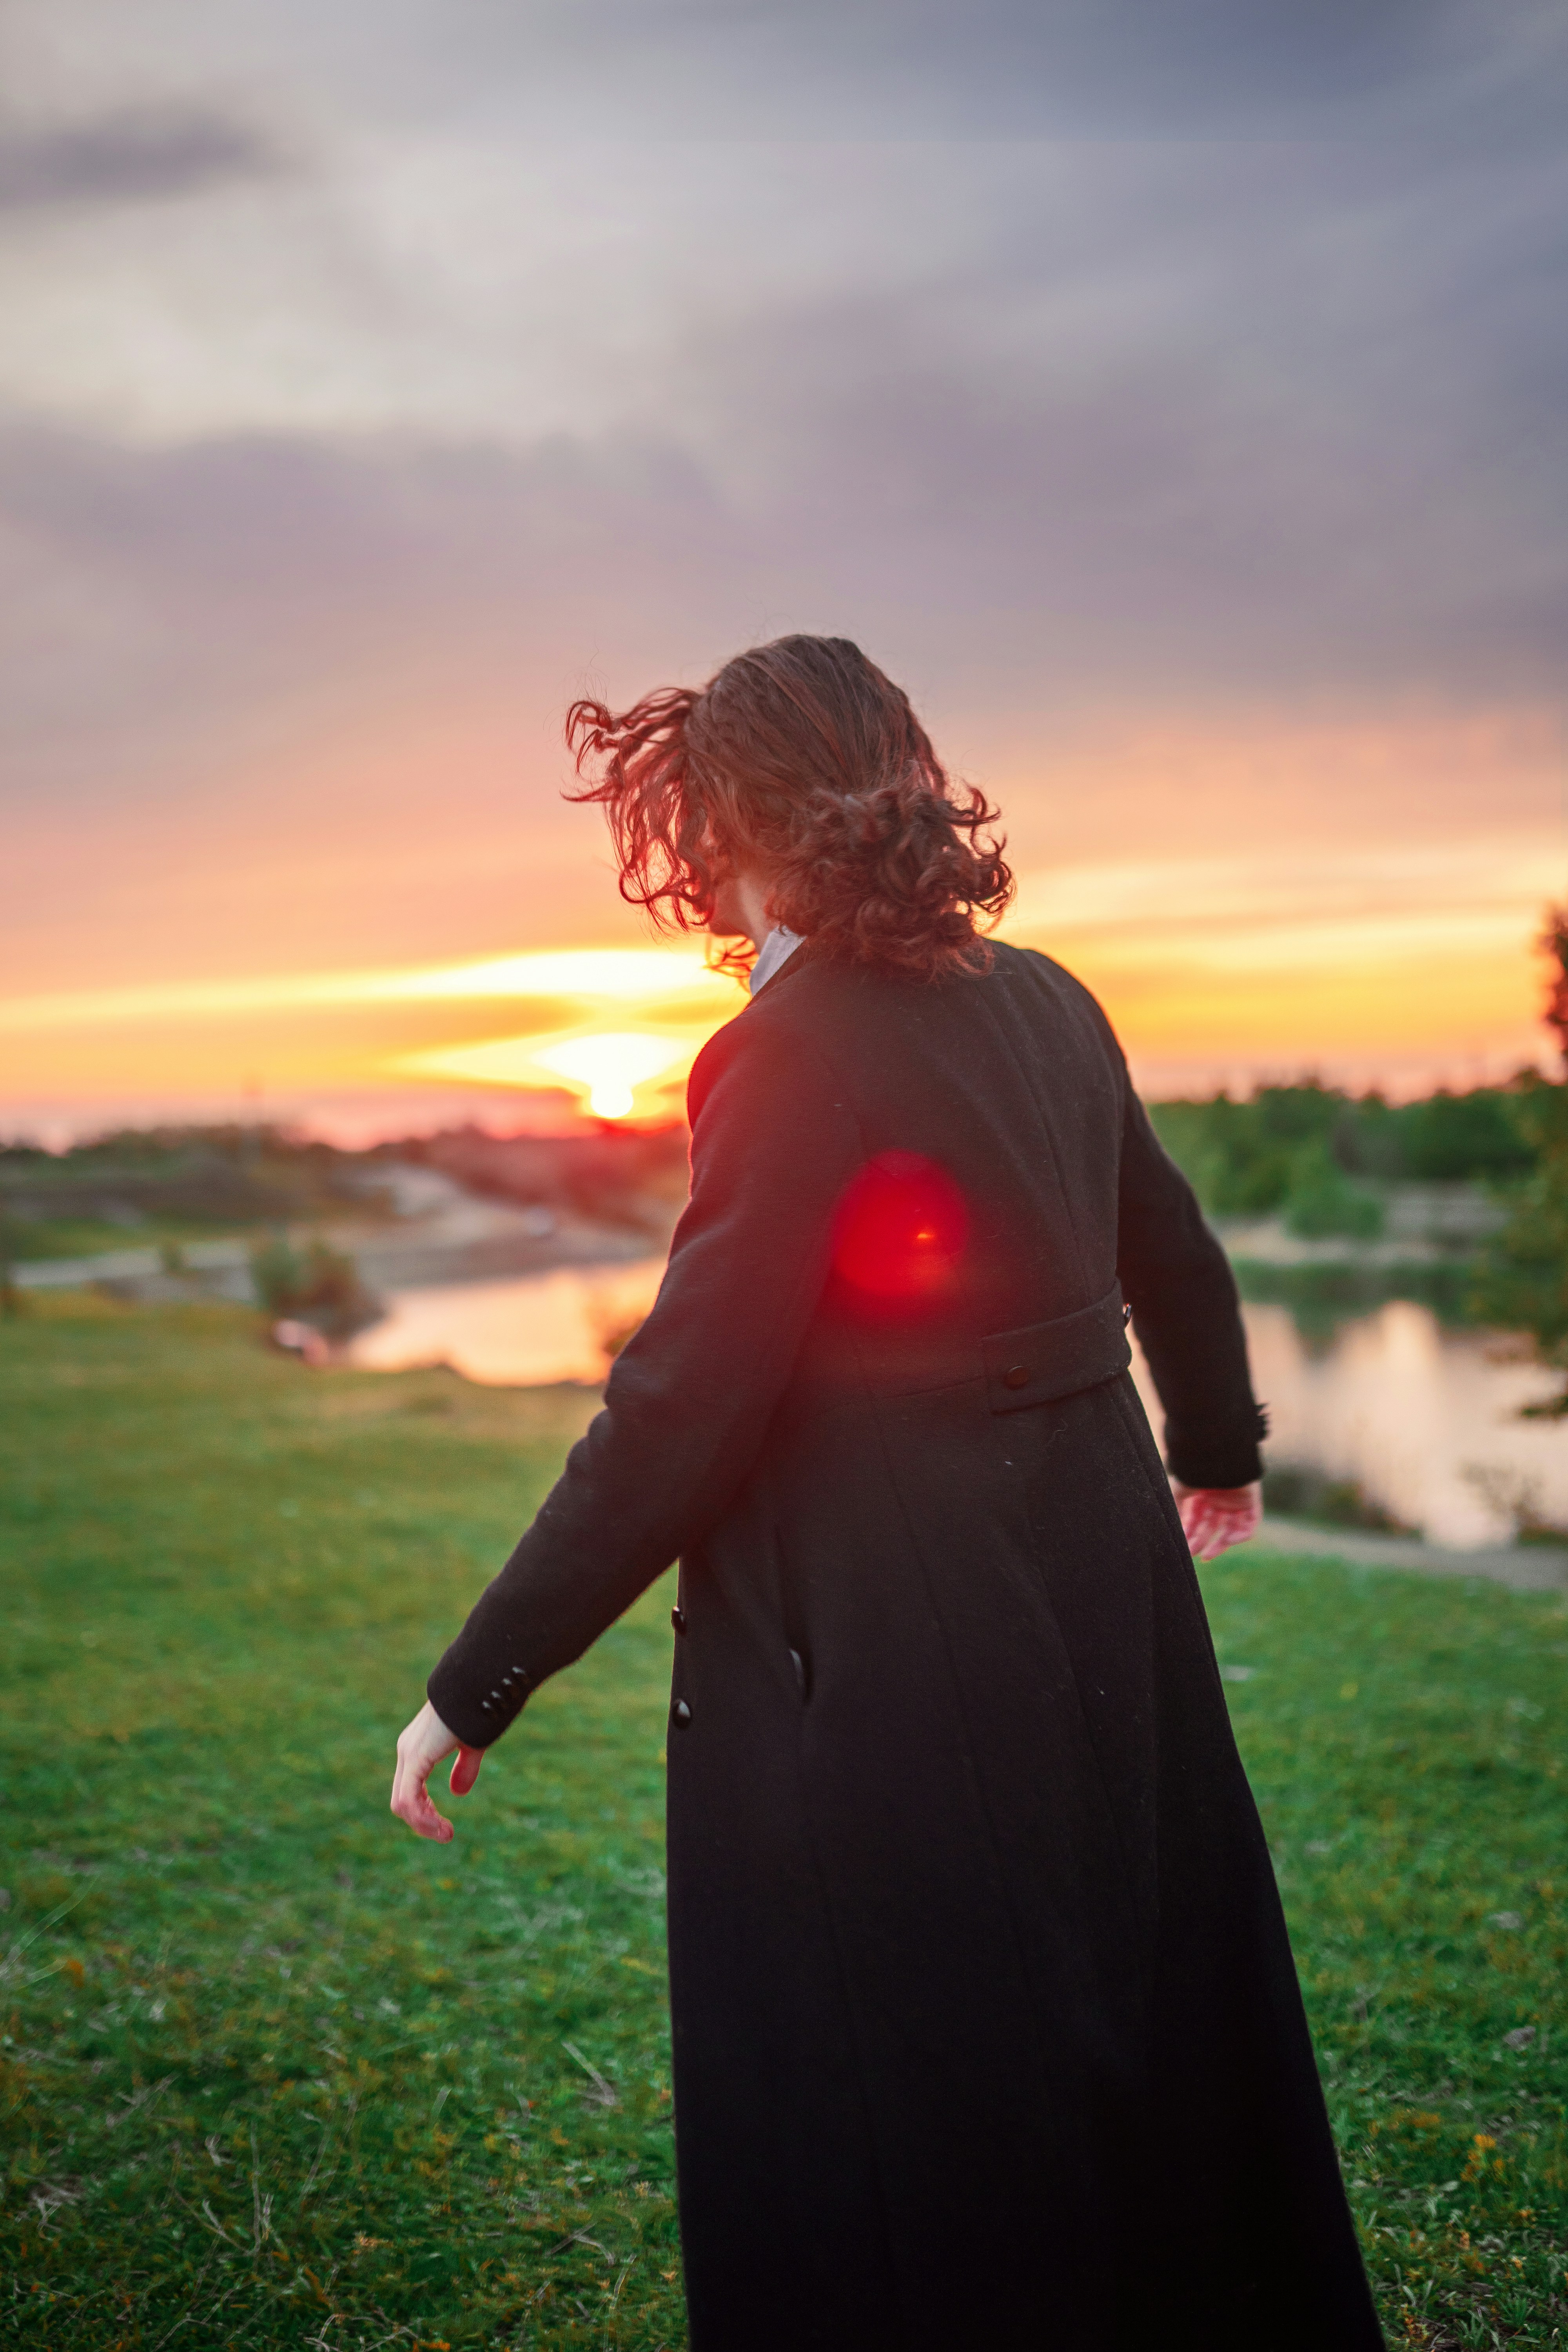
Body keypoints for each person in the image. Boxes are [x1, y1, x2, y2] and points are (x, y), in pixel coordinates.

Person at [391, 636, 1386, 2351]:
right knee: (1126, 1973)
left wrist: (478, 1677)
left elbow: (683, 1404)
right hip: (1102, 1574)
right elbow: (1172, 1244)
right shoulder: (1050, 997)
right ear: (910, 775)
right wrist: (1213, 1451)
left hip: (890, 1632)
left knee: (912, 2059)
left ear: (725, 825)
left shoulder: (780, 1050)